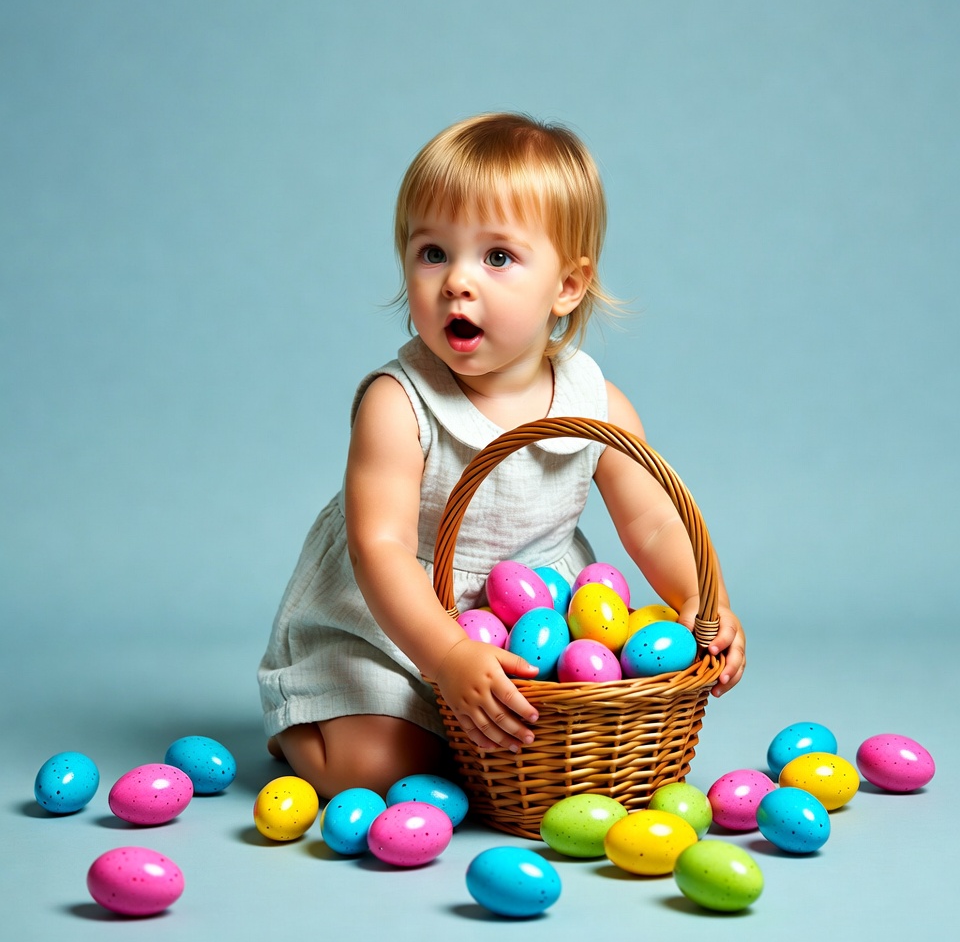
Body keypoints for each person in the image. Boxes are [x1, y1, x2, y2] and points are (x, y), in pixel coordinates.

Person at [258, 112, 745, 800]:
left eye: (497, 258)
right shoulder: (399, 404)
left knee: (556, 745)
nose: (458, 281)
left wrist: (705, 598)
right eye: (433, 253)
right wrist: (449, 655)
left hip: (531, 626)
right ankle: (304, 726)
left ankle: (484, 746)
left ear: (568, 287)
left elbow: (659, 525)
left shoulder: (595, 400)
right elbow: (381, 549)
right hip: (394, 626)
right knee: (375, 769)